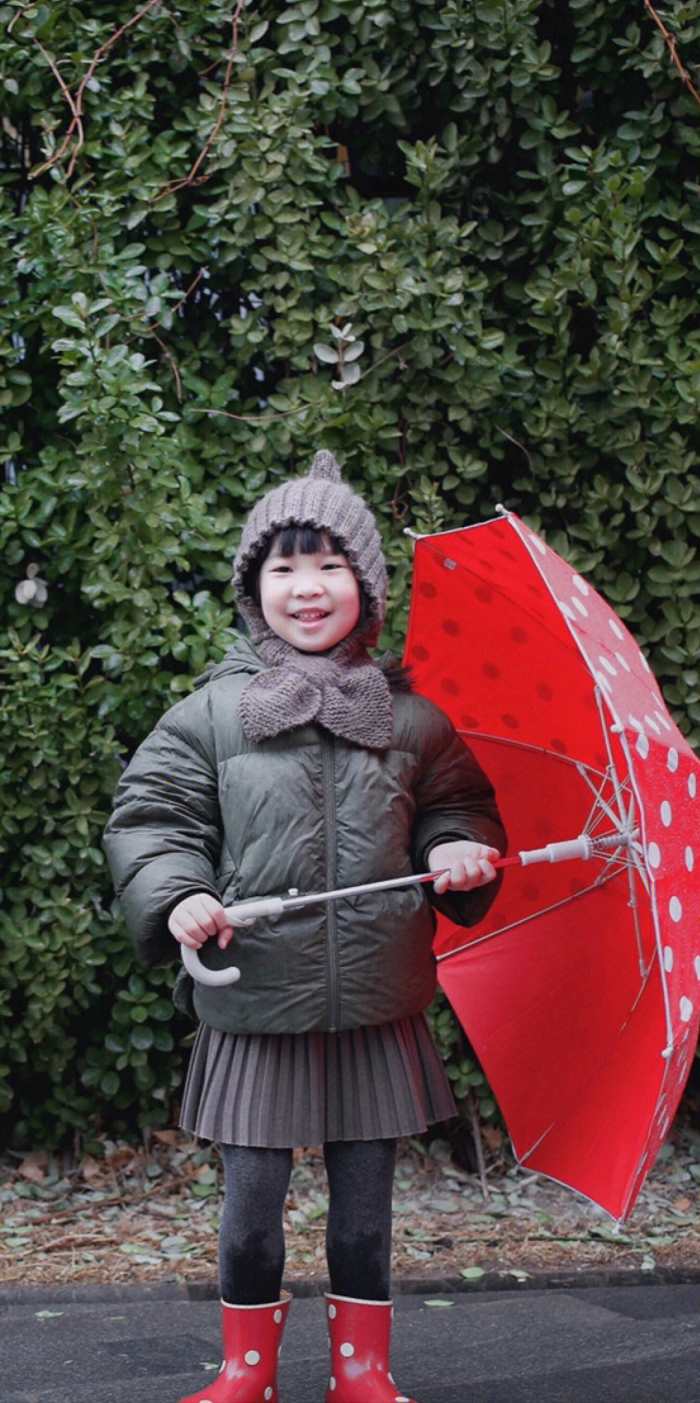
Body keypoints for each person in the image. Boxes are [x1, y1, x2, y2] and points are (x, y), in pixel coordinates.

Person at [104, 451, 505, 1403]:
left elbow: (461, 810)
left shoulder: (413, 722)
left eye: (328, 565)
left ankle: (363, 1373)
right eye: (282, 567)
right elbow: (152, 818)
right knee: (250, 1216)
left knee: (364, 1219)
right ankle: (246, 1374)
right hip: (256, 1006)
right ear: (254, 590)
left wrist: (459, 854)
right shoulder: (213, 716)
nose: (306, 587)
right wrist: (178, 897)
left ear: (363, 586)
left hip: (377, 1005)